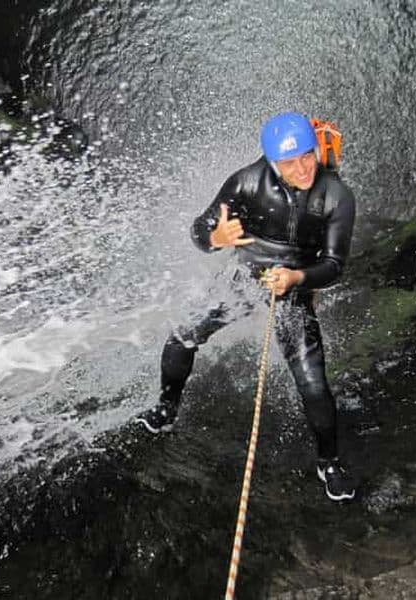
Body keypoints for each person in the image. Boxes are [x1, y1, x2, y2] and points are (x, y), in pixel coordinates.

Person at [135, 112, 357, 501]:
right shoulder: (247, 183)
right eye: (290, 163)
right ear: (272, 162)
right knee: (181, 336)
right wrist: (216, 238)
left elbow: (334, 264)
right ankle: (166, 408)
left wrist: (297, 279)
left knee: (312, 381)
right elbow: (199, 229)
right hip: (243, 280)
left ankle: (330, 462)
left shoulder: (336, 196)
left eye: (307, 156)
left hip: (294, 289)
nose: (302, 168)